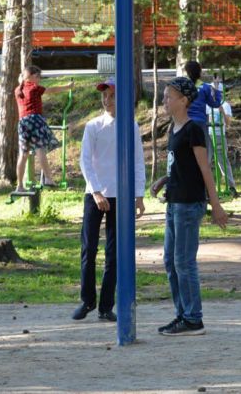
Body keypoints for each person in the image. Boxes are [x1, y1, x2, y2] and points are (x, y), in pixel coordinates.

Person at [150, 77, 228, 336]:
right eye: (164, 96)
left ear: (184, 100)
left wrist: (215, 204)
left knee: (184, 262)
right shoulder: (173, 129)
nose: (164, 101)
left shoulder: (193, 129)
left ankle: (194, 319)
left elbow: (204, 168)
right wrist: (164, 180)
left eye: (169, 97)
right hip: (174, 202)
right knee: (170, 261)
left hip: (189, 203)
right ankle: (182, 315)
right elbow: (181, 166)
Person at [73, 77, 146, 322]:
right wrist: (96, 191)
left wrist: (138, 195)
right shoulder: (93, 126)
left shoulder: (131, 126)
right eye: (104, 95)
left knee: (114, 253)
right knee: (89, 248)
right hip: (94, 195)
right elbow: (85, 161)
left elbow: (137, 161)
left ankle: (106, 306)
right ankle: (87, 300)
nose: (107, 100)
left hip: (120, 196)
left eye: (112, 95)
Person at [14, 65, 73, 193]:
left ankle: (19, 186)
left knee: (23, 155)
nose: (39, 79)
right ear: (31, 76)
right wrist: (67, 87)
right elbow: (52, 90)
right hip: (35, 120)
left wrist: (22, 80)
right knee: (40, 150)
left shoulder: (18, 90)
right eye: (38, 76)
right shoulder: (34, 88)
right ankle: (48, 179)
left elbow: (22, 83)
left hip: (23, 123)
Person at [182, 61, 222, 162]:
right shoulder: (205, 87)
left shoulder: (183, 86)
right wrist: (216, 88)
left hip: (185, 123)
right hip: (200, 124)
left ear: (187, 72)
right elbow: (215, 104)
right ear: (199, 73)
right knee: (205, 152)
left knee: (186, 152)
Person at [206, 75, 237, 198]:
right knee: (206, 161)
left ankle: (231, 186)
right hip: (208, 135)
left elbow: (228, 123)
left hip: (219, 135)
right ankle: (206, 188)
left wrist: (222, 111)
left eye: (214, 91)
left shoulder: (225, 105)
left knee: (222, 161)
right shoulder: (208, 105)